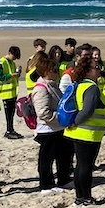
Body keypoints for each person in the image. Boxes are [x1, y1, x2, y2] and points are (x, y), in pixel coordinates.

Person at [63, 59, 105, 206]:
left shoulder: (80, 85)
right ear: (88, 70)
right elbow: (87, 110)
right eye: (96, 67)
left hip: (78, 132)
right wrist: (75, 122)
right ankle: (85, 196)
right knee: (85, 166)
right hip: (87, 133)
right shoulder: (91, 88)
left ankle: (80, 196)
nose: (98, 70)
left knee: (81, 165)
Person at [29, 51, 72, 193]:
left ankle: (63, 179)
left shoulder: (52, 85)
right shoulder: (41, 88)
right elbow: (43, 112)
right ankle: (46, 184)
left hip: (58, 129)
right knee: (46, 159)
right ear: (46, 71)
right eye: (54, 70)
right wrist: (61, 118)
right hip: (48, 130)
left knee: (63, 156)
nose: (56, 73)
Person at [0, 46, 23, 139]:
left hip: (13, 92)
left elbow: (13, 75)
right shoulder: (1, 63)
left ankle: (11, 129)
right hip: (5, 92)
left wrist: (17, 72)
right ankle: (8, 130)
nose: (14, 59)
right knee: (8, 113)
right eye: (14, 56)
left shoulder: (12, 63)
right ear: (9, 53)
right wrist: (11, 75)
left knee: (11, 113)